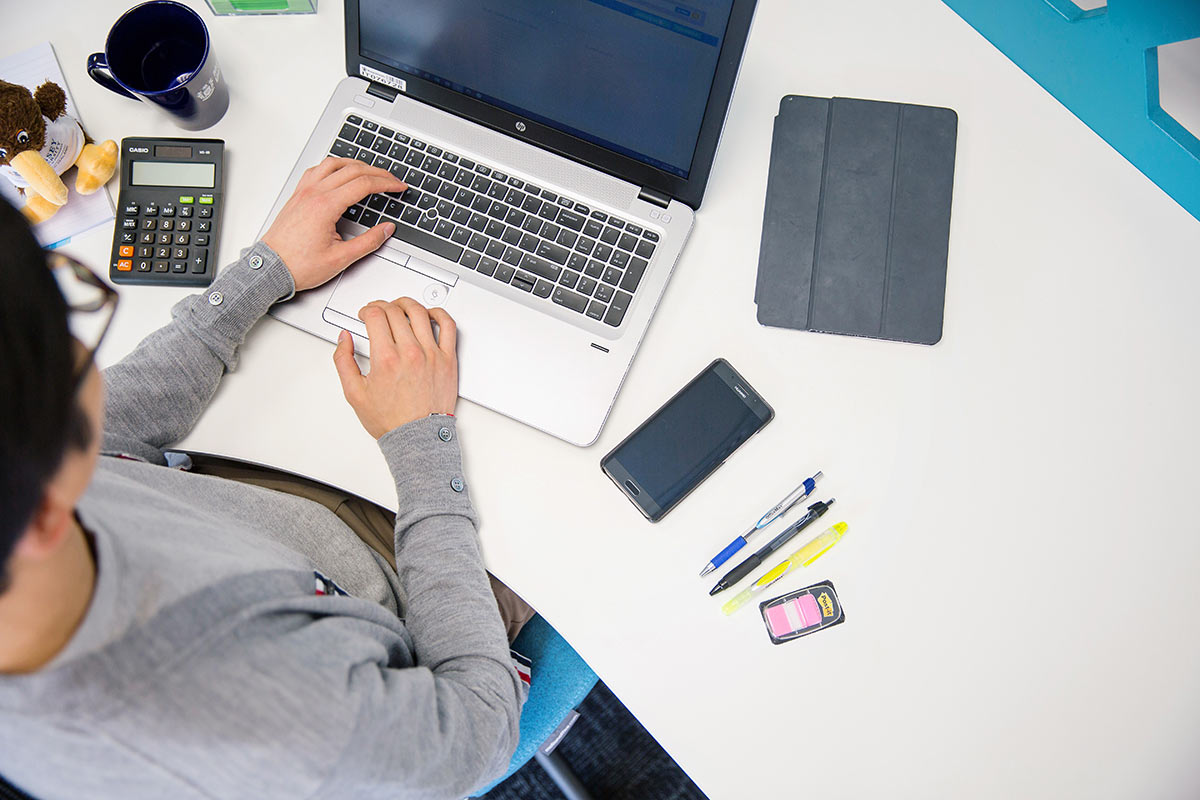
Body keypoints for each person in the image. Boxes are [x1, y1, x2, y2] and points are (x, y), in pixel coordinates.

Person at [0, 158, 530, 799]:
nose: (84, 355)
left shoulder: (21, 494)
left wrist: (268, 269)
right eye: (67, 333)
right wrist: (422, 440)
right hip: (416, 634)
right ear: (47, 513)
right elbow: (475, 732)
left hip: (278, 532)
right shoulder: (257, 720)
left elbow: (113, 424)